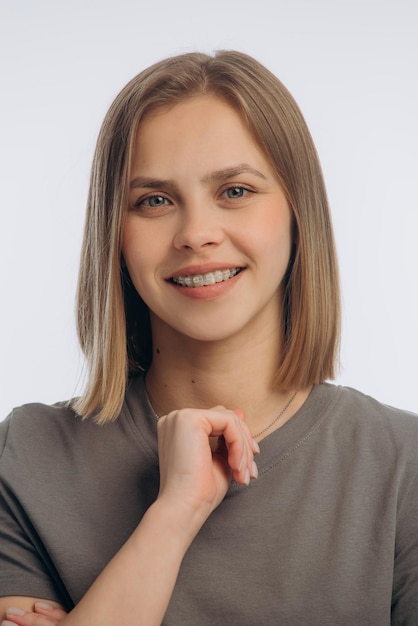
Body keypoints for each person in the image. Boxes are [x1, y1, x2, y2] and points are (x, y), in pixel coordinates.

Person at [0, 50, 417, 626]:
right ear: (113, 235)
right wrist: (175, 513)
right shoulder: (24, 458)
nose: (196, 234)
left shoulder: (404, 464)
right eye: (154, 201)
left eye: (236, 191)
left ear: (298, 213)